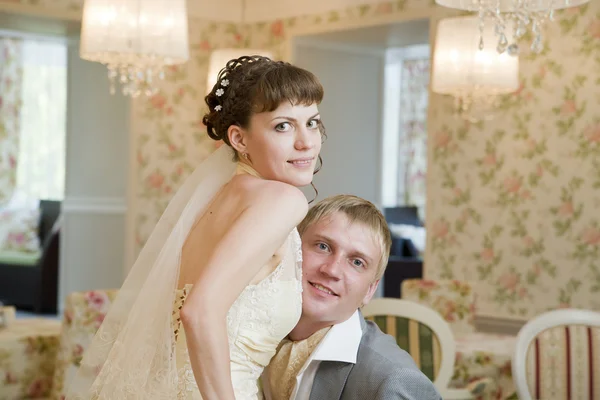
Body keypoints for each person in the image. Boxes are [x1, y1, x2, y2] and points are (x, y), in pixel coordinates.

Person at [66, 56, 325, 399]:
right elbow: (199, 311)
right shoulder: (282, 200)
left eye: (312, 122)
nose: (306, 142)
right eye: (283, 126)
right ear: (239, 139)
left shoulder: (216, 201)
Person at [263, 195, 441, 400]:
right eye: (323, 246)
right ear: (293, 249)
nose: (332, 270)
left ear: (370, 290)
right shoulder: (253, 332)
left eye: (357, 262)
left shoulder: (392, 379)